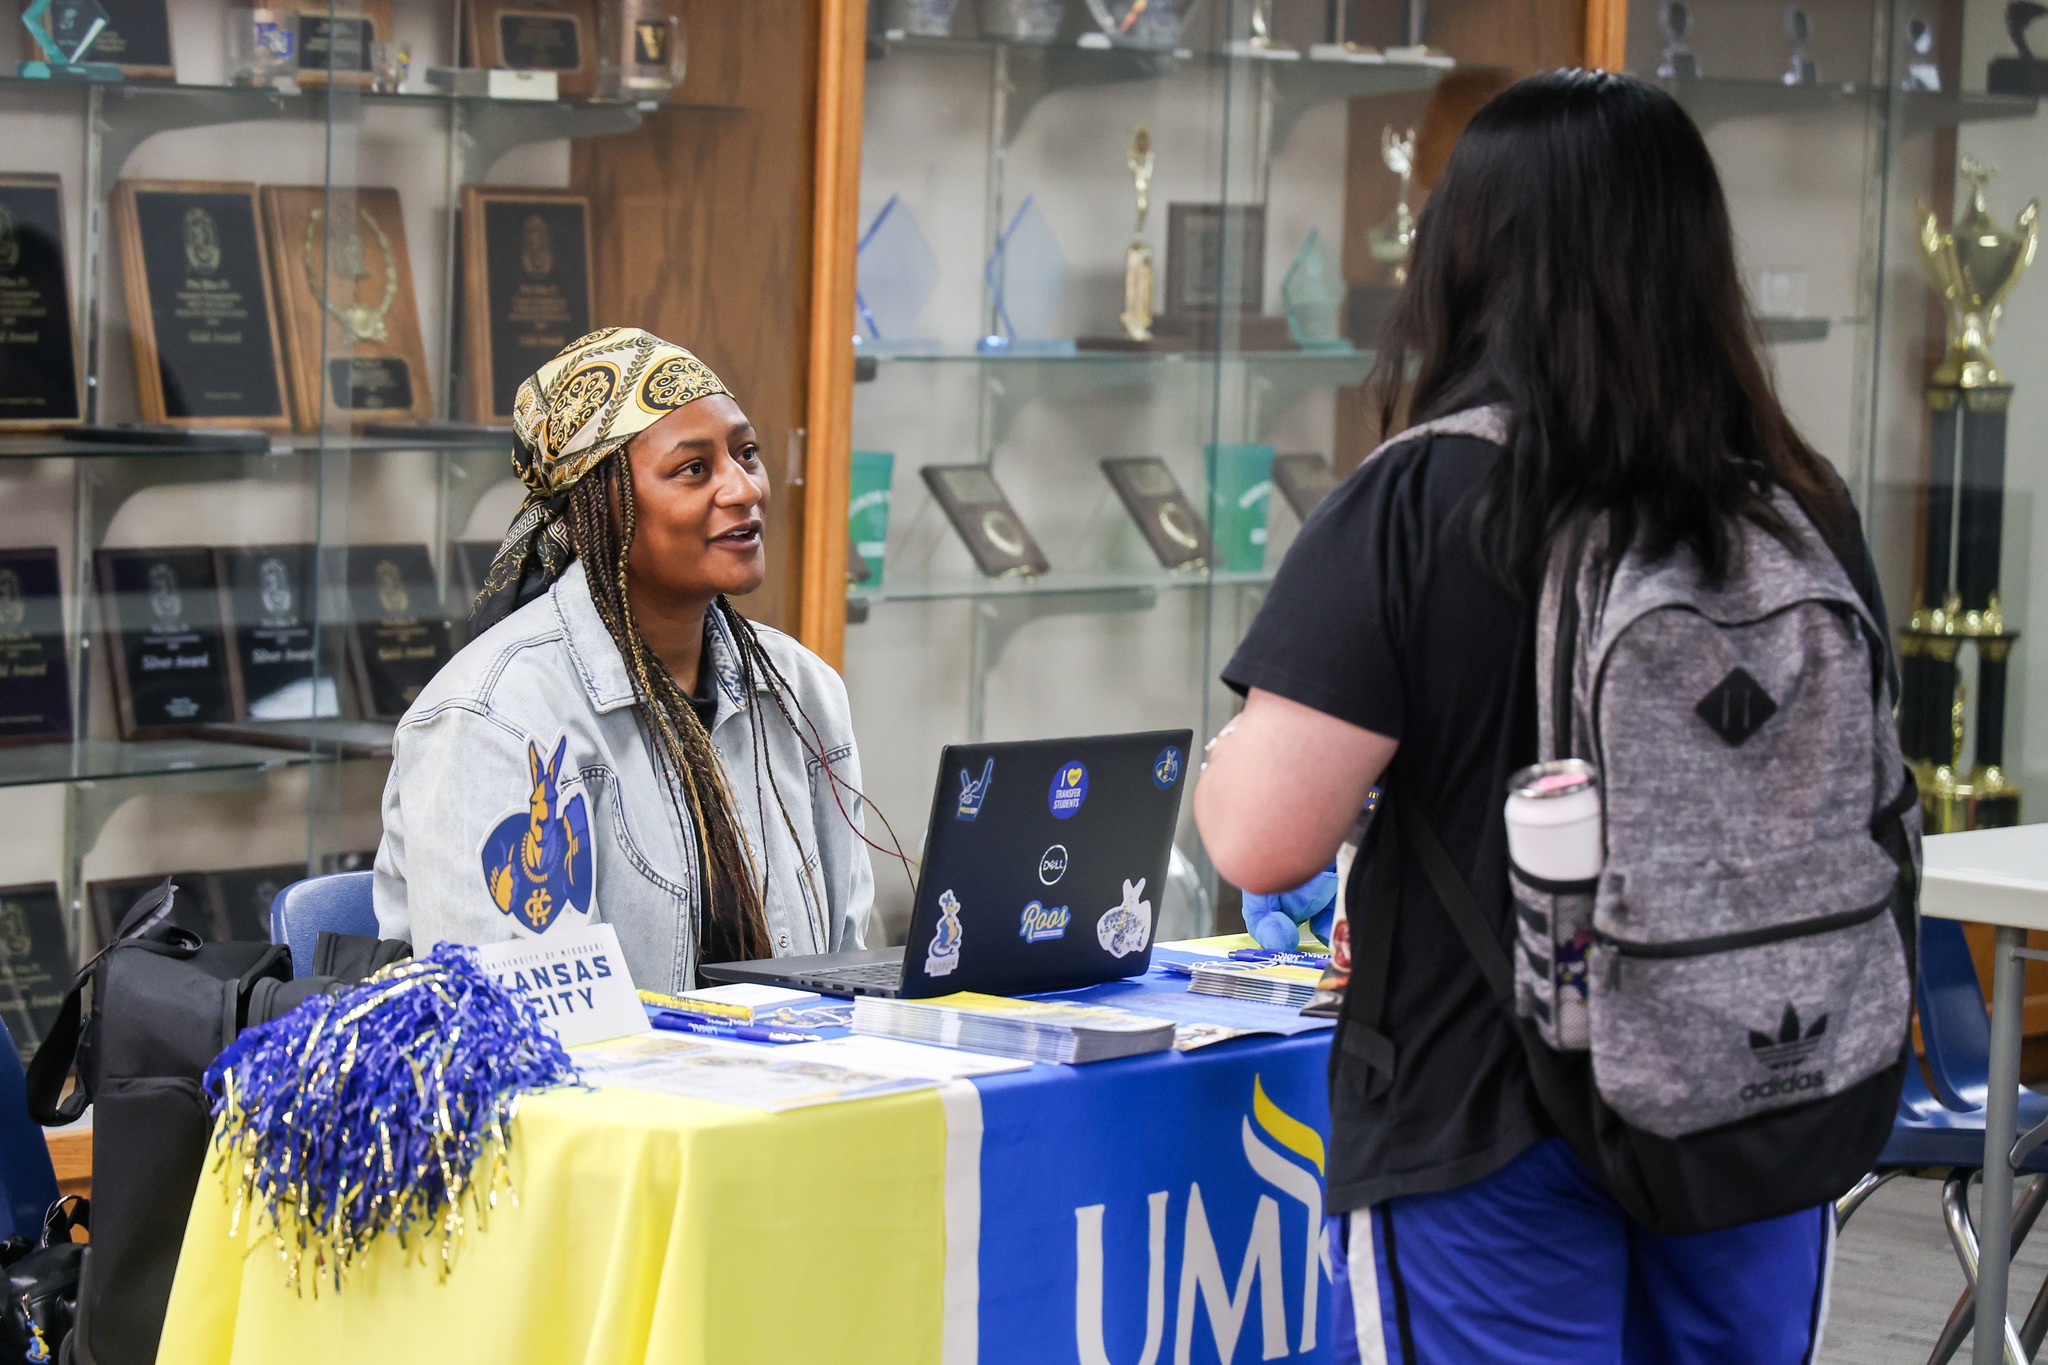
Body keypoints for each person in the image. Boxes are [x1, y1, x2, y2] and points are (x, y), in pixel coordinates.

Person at [1194, 71, 1880, 1363]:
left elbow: (1260, 840)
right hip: (1759, 1093)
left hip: (1488, 1109)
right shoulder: (1803, 505)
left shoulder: (1422, 499)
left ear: (1463, 252)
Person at [375, 328, 876, 995]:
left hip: (787, 1088)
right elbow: (527, 1031)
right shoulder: (492, 719)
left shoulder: (803, 689)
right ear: (601, 505)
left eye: (747, 454)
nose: (744, 488)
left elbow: (847, 967)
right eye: (694, 469)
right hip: (606, 1095)